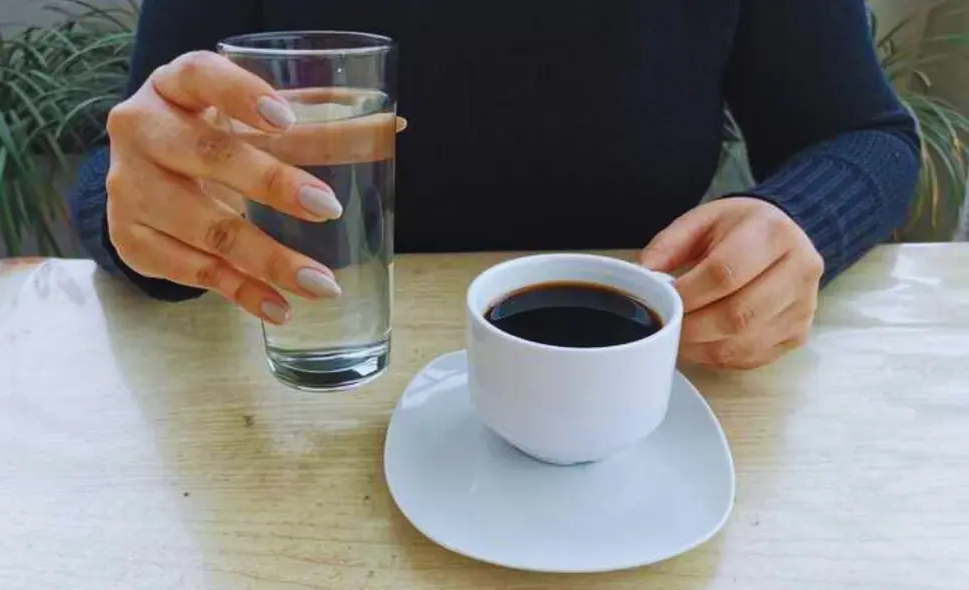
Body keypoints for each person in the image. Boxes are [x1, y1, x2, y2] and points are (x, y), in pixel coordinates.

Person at [70, 0, 920, 370]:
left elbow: (863, 134)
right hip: (309, 382)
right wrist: (143, 216)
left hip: (647, 390)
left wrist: (797, 219)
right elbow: (140, 152)